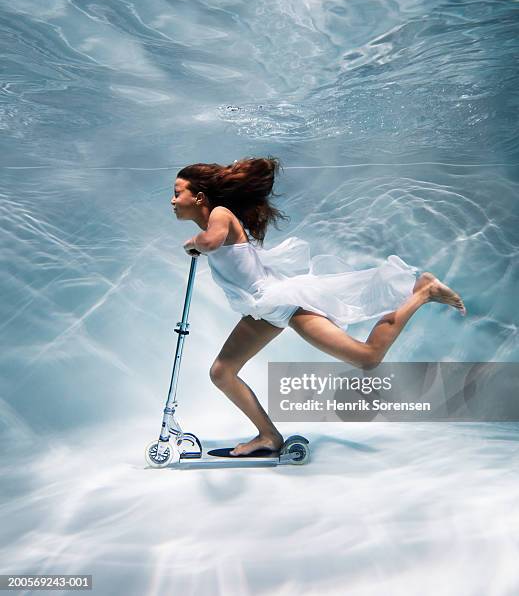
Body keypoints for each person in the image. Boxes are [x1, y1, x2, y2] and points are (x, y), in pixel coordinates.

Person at [171, 156, 466, 457]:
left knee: (367, 358)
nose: (173, 200)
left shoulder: (220, 214)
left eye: (177, 192)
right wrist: (198, 240)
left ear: (199, 197)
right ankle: (269, 436)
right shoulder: (212, 221)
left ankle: (422, 291)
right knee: (222, 372)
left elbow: (209, 243)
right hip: (261, 310)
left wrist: (192, 242)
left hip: (284, 303)